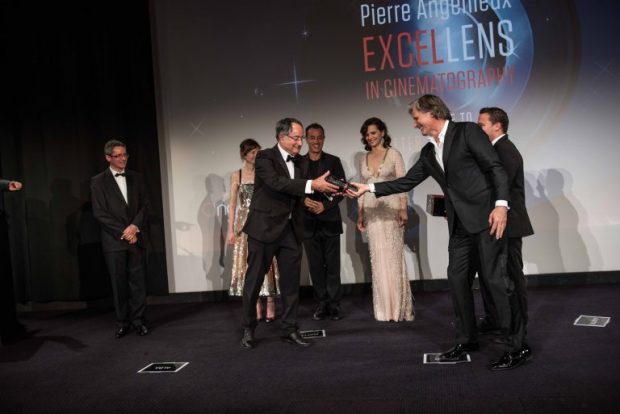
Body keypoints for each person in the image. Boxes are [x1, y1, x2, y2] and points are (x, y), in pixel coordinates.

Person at [348, 95, 523, 370]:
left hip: (487, 218)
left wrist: (501, 206)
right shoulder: (429, 153)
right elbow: (406, 181)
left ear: (432, 112)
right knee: (456, 279)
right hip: (460, 226)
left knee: (495, 280)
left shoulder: (467, 132)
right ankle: (467, 340)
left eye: (417, 118)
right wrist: (369, 188)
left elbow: (495, 167)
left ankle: (516, 346)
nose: (415, 124)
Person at [240, 117, 339, 349]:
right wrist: (311, 185)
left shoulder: (302, 162)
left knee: (291, 284)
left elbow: (302, 191)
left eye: (300, 138)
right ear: (281, 137)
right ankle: (248, 327)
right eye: (296, 138)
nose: (299, 142)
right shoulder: (265, 157)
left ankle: (290, 329)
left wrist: (338, 190)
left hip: (291, 230)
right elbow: (277, 183)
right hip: (264, 229)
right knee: (253, 281)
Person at [476, 107, 534, 367]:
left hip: (508, 227)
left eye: (482, 125)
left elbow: (501, 189)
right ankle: (500, 324)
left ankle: (518, 340)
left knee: (509, 281)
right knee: (501, 279)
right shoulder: (498, 150)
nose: (479, 130)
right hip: (499, 225)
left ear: (497, 126)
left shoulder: (506, 151)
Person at [91, 140, 150, 338]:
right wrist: (125, 232)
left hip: (136, 237)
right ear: (108, 157)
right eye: (118, 155)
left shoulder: (137, 178)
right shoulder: (98, 181)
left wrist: (135, 227)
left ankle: (139, 321)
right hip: (114, 240)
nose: (123, 158)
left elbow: (145, 205)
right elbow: (100, 213)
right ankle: (122, 322)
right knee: (119, 284)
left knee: (138, 282)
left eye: (125, 154)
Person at [356, 117, 414, 322]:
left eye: (373, 132)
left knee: (392, 259)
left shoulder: (394, 153)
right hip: (372, 213)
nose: (370, 137)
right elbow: (361, 188)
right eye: (367, 134)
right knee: (378, 260)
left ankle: (398, 309)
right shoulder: (363, 158)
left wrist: (403, 209)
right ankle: (383, 310)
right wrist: (360, 213)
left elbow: (403, 183)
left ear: (382, 132)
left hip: (391, 211)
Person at [227, 139, 279, 323]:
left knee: (268, 260)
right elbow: (232, 205)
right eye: (251, 153)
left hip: (264, 220)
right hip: (245, 223)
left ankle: (271, 301)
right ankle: (256, 303)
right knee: (251, 264)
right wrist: (230, 231)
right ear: (244, 155)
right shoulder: (237, 175)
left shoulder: (265, 172)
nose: (254, 156)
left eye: (257, 151)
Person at [301, 123, 345, 321]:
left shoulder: (333, 161)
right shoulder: (298, 164)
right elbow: (292, 189)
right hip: (308, 223)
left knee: (333, 266)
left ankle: (334, 305)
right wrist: (302, 200)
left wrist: (325, 207)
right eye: (312, 137)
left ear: (324, 138)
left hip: (330, 221)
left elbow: (342, 190)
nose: (316, 141)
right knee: (316, 267)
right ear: (306, 139)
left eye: (319, 137)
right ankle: (321, 303)